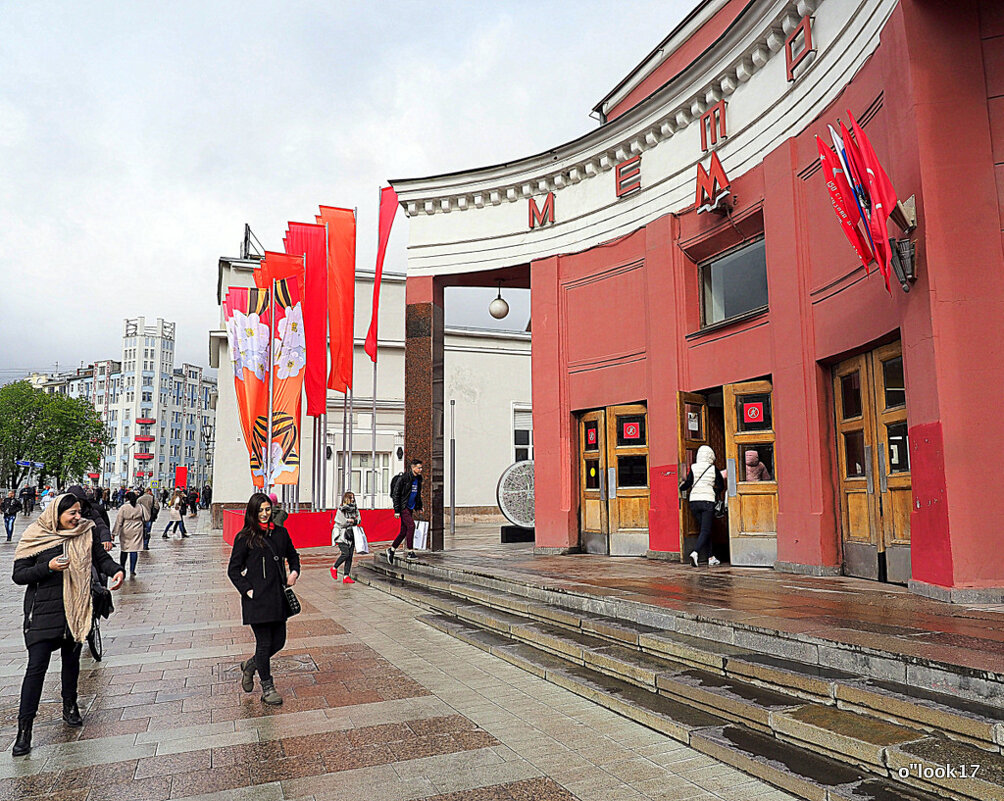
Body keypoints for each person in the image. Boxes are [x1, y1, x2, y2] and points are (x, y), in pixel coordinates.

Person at [11, 493, 124, 756]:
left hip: (76, 609)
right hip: (43, 613)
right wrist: (48, 567)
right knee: (35, 670)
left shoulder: (86, 532)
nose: (77, 517)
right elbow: (19, 574)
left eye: (78, 512)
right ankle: (24, 730)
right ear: (56, 514)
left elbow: (102, 560)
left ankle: (70, 706)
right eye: (71, 513)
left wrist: (116, 570)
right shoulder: (36, 534)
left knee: (71, 663)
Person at [227, 493, 300, 706]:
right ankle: (267, 688)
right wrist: (247, 590)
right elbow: (233, 570)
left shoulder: (281, 533)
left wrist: (294, 572)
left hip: (277, 597)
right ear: (252, 512)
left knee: (279, 642)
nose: (265, 514)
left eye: (267, 509)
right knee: (264, 643)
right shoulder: (244, 537)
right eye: (260, 510)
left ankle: (251, 665)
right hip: (257, 600)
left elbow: (293, 555)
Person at [678, 445, 726, 567]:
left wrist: (680, 487)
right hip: (707, 501)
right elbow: (720, 486)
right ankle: (695, 552)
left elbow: (688, 483)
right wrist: (714, 492)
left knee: (705, 531)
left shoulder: (693, 467)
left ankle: (710, 557)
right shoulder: (713, 468)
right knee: (706, 530)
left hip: (694, 501)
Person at [388, 459, 423, 565]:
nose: (421, 469)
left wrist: (419, 506)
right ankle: (410, 551)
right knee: (411, 526)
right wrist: (397, 510)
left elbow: (417, 494)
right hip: (403, 507)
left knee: (404, 531)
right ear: (413, 468)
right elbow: (396, 494)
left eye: (421, 468)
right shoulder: (404, 478)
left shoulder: (418, 479)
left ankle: (392, 549)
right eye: (419, 467)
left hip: (411, 507)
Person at [65, 485, 113, 552]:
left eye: (79, 501)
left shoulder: (91, 512)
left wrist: (105, 538)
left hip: (88, 547)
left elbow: (101, 525)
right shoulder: (61, 513)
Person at [113, 491, 147, 577]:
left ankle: (122, 567)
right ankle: (132, 570)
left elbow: (119, 521)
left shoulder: (124, 507)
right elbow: (147, 517)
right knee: (134, 549)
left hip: (126, 528)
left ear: (126, 498)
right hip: (137, 528)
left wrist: (114, 533)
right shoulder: (140, 506)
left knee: (124, 549)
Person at [331, 491, 358, 584]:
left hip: (351, 534)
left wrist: (353, 521)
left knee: (350, 556)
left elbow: (358, 519)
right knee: (345, 553)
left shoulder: (355, 508)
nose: (353, 499)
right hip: (341, 535)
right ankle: (334, 567)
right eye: (351, 498)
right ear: (346, 499)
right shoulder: (341, 509)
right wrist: (350, 520)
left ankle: (346, 576)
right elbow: (341, 522)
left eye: (353, 497)